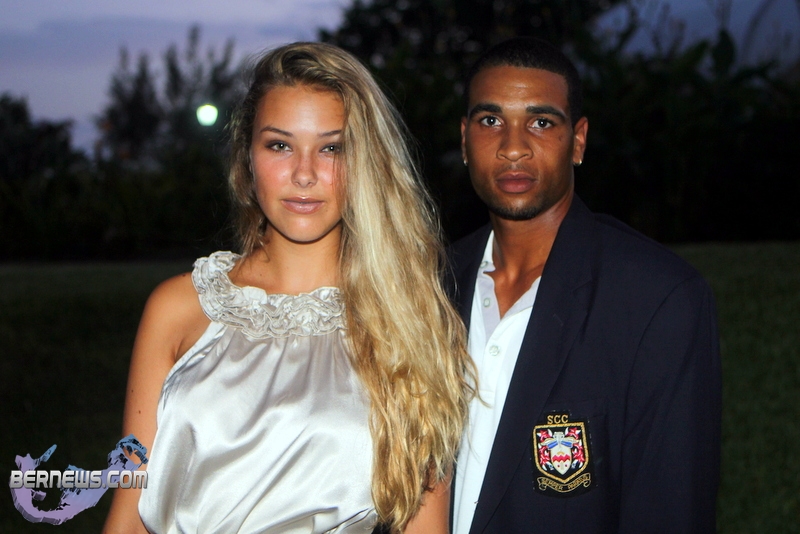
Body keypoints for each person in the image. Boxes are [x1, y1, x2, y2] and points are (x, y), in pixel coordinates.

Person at [102, 42, 474, 534]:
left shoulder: (409, 324)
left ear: (366, 163)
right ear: (247, 157)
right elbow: (128, 518)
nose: (304, 174)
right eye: (280, 145)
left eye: (332, 148)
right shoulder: (178, 308)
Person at [449, 37, 721, 533]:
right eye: (491, 121)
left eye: (541, 122)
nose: (513, 146)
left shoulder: (657, 300)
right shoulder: (429, 284)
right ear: (464, 139)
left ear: (577, 141)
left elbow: (669, 511)